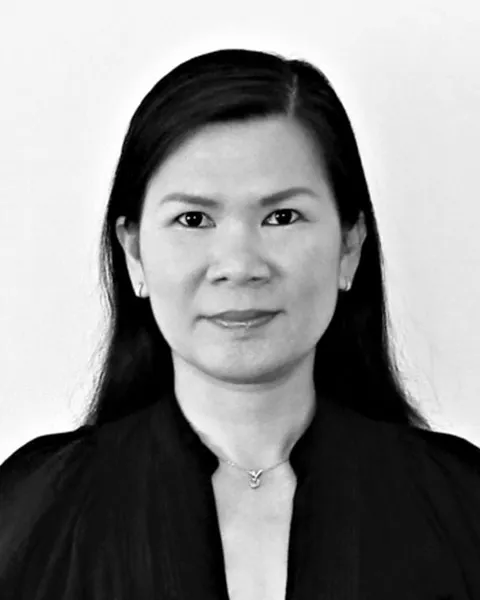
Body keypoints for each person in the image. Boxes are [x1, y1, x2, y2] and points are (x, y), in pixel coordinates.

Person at [1, 47, 479, 600]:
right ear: (134, 253)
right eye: (193, 219)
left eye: (281, 216)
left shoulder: (462, 504)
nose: (239, 265)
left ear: (350, 245)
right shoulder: (31, 508)